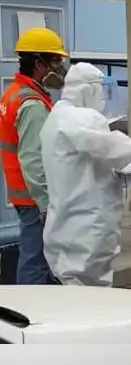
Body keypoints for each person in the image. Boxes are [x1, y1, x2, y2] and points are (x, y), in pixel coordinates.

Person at [40, 63, 131, 287]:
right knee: (91, 292)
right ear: (88, 90)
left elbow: (97, 160)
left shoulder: (56, 116)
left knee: (71, 285)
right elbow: (114, 150)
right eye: (100, 89)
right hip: (88, 223)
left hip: (64, 221)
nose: (103, 97)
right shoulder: (82, 118)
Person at [0, 27, 69, 285]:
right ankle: (33, 312)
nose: (61, 68)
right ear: (38, 63)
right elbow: (33, 159)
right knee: (35, 261)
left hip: (23, 193)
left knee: (34, 257)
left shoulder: (15, 92)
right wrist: (46, 203)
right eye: (56, 61)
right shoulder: (31, 103)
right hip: (33, 197)